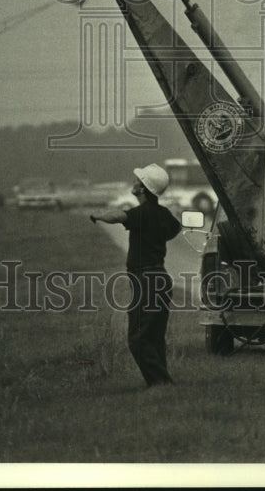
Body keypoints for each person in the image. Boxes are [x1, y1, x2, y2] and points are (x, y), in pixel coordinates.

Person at [90, 164, 181, 387]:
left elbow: (118, 216)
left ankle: (161, 383)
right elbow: (175, 228)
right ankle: (162, 384)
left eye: (137, 181)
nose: (133, 183)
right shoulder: (162, 213)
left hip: (146, 280)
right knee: (155, 336)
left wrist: (98, 215)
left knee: (138, 338)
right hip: (161, 278)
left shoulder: (142, 214)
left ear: (143, 189)